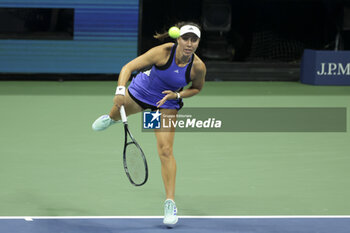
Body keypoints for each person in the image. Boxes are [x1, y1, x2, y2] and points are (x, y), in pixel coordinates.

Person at [92, 21, 206, 227]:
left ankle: (170, 202)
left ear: (198, 42)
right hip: (142, 92)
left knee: (165, 150)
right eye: (185, 38)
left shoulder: (198, 67)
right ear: (178, 39)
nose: (189, 43)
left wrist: (178, 94)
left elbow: (197, 88)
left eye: (194, 40)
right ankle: (111, 120)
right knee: (115, 113)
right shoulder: (162, 52)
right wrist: (119, 90)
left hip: (166, 102)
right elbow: (128, 67)